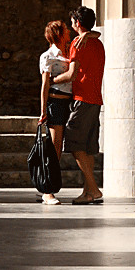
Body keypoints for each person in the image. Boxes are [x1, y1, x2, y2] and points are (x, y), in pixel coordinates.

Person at [50, 5, 105, 204]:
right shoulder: (97, 43)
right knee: (87, 147)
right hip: (96, 99)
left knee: (73, 143)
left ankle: (94, 189)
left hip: (82, 99)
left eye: (73, 22)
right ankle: (87, 192)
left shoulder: (77, 43)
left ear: (77, 23)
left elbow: (72, 74)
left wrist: (52, 81)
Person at [38, 20, 73, 206]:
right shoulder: (48, 56)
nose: (68, 32)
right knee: (54, 147)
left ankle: (50, 186)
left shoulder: (70, 52)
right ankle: (47, 191)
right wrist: (43, 111)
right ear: (58, 34)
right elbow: (45, 85)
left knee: (62, 146)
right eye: (65, 30)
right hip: (56, 104)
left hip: (70, 103)